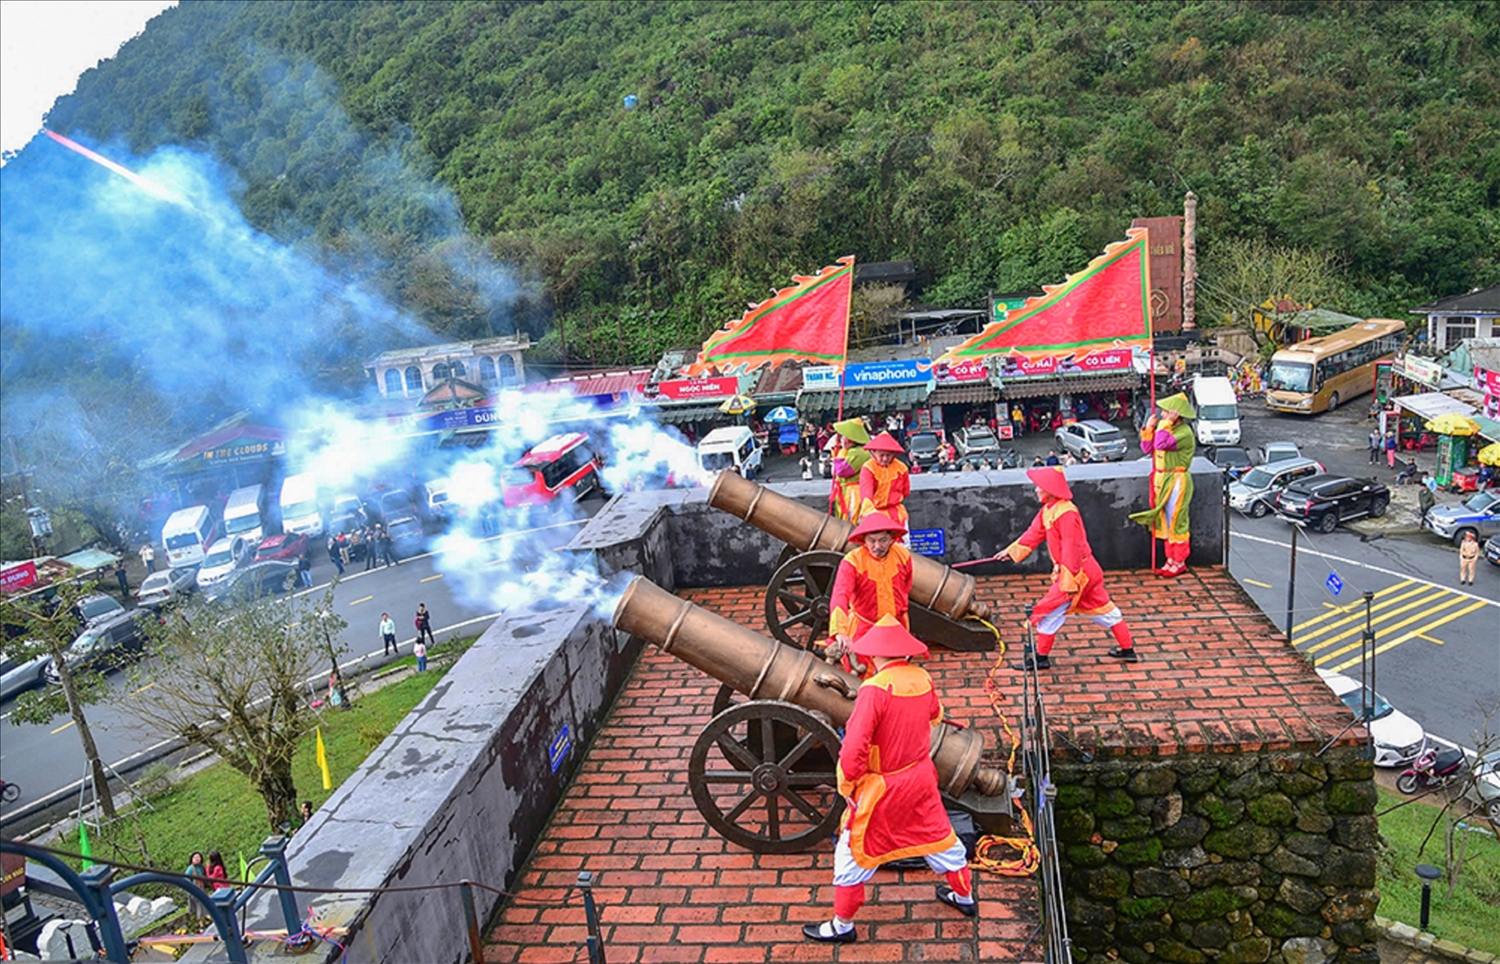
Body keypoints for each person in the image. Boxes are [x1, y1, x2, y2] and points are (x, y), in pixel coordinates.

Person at [802, 615, 975, 943]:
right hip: (921, 777)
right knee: (940, 838)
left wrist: (848, 783)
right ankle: (964, 897)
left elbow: (854, 747)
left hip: (883, 786)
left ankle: (842, 926)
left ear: (876, 655)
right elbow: (935, 716)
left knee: (852, 850)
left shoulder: (874, 689)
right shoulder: (923, 679)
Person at [1003, 467, 1137, 670]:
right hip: (1085, 570)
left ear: (1048, 489)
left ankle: (1040, 658)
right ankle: (1128, 649)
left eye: (1039, 486)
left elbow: (1072, 546)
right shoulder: (1049, 509)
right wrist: (1010, 552)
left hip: (1075, 573)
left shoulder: (1066, 512)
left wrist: (1068, 579)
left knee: (1048, 612)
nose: (1036, 489)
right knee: (1106, 610)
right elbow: (1033, 534)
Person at [821, 512, 913, 678]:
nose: (877, 546)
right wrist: (840, 632)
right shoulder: (852, 562)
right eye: (872, 540)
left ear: (891, 538)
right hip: (864, 629)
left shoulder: (903, 556)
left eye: (883, 540)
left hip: (895, 626)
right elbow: (840, 596)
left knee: (896, 674)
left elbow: (905, 587)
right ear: (864, 540)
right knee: (863, 676)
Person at [1130, 393, 1197, 579]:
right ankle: (1170, 558)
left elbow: (1161, 443)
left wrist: (1162, 425)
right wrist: (1149, 428)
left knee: (1177, 521)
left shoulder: (1184, 433)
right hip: (1161, 480)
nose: (1162, 414)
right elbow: (1148, 448)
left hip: (1176, 481)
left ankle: (1180, 560)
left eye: (1166, 412)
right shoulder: (1166, 429)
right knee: (1165, 521)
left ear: (1175, 414)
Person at [856, 432, 910, 527]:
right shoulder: (868, 468)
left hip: (897, 514)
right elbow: (866, 493)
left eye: (888, 455)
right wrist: (869, 511)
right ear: (874, 453)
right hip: (874, 512)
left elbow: (906, 491)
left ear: (894, 454)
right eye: (881, 455)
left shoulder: (902, 468)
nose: (885, 459)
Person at [829, 418, 872, 521]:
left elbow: (841, 471)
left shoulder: (859, 453)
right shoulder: (851, 451)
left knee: (851, 518)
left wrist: (841, 452)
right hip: (845, 491)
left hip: (854, 492)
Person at [184, 851, 208, 918]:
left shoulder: (201, 867)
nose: (197, 859)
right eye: (195, 857)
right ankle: (201, 921)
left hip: (201, 888)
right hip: (195, 890)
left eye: (198, 857)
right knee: (199, 906)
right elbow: (186, 879)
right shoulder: (191, 869)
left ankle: (205, 917)